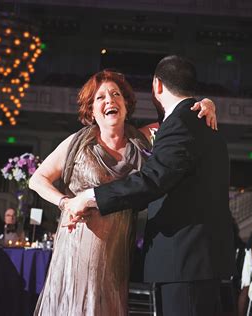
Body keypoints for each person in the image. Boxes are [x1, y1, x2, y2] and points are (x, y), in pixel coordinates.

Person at [29, 68, 217, 315]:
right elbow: (37, 179)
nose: (110, 100)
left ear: (126, 105)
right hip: (79, 246)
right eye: (100, 97)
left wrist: (207, 103)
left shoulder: (144, 139)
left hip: (118, 248)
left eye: (116, 94)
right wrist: (65, 202)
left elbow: (180, 118)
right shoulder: (77, 143)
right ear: (91, 110)